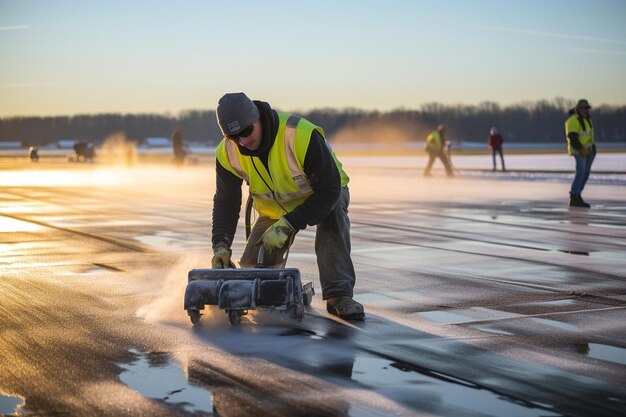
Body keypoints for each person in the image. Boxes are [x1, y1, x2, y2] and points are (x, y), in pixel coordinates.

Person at [210, 92, 364, 320]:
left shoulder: (298, 134)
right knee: (253, 272)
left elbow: (329, 190)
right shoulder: (227, 153)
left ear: (258, 119)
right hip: (273, 208)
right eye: (233, 137)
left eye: (246, 132)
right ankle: (268, 290)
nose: (242, 141)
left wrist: (289, 224)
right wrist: (221, 245)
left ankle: (339, 294)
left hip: (323, 196)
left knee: (333, 215)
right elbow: (226, 202)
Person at [565, 99, 596, 208]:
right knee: (581, 171)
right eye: (583, 108)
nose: (586, 110)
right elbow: (572, 137)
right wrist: (580, 149)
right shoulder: (573, 120)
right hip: (578, 150)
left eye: (587, 108)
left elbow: (589, 136)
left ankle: (577, 195)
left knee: (586, 173)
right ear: (578, 108)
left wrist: (593, 148)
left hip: (589, 151)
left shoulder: (588, 119)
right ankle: (574, 196)